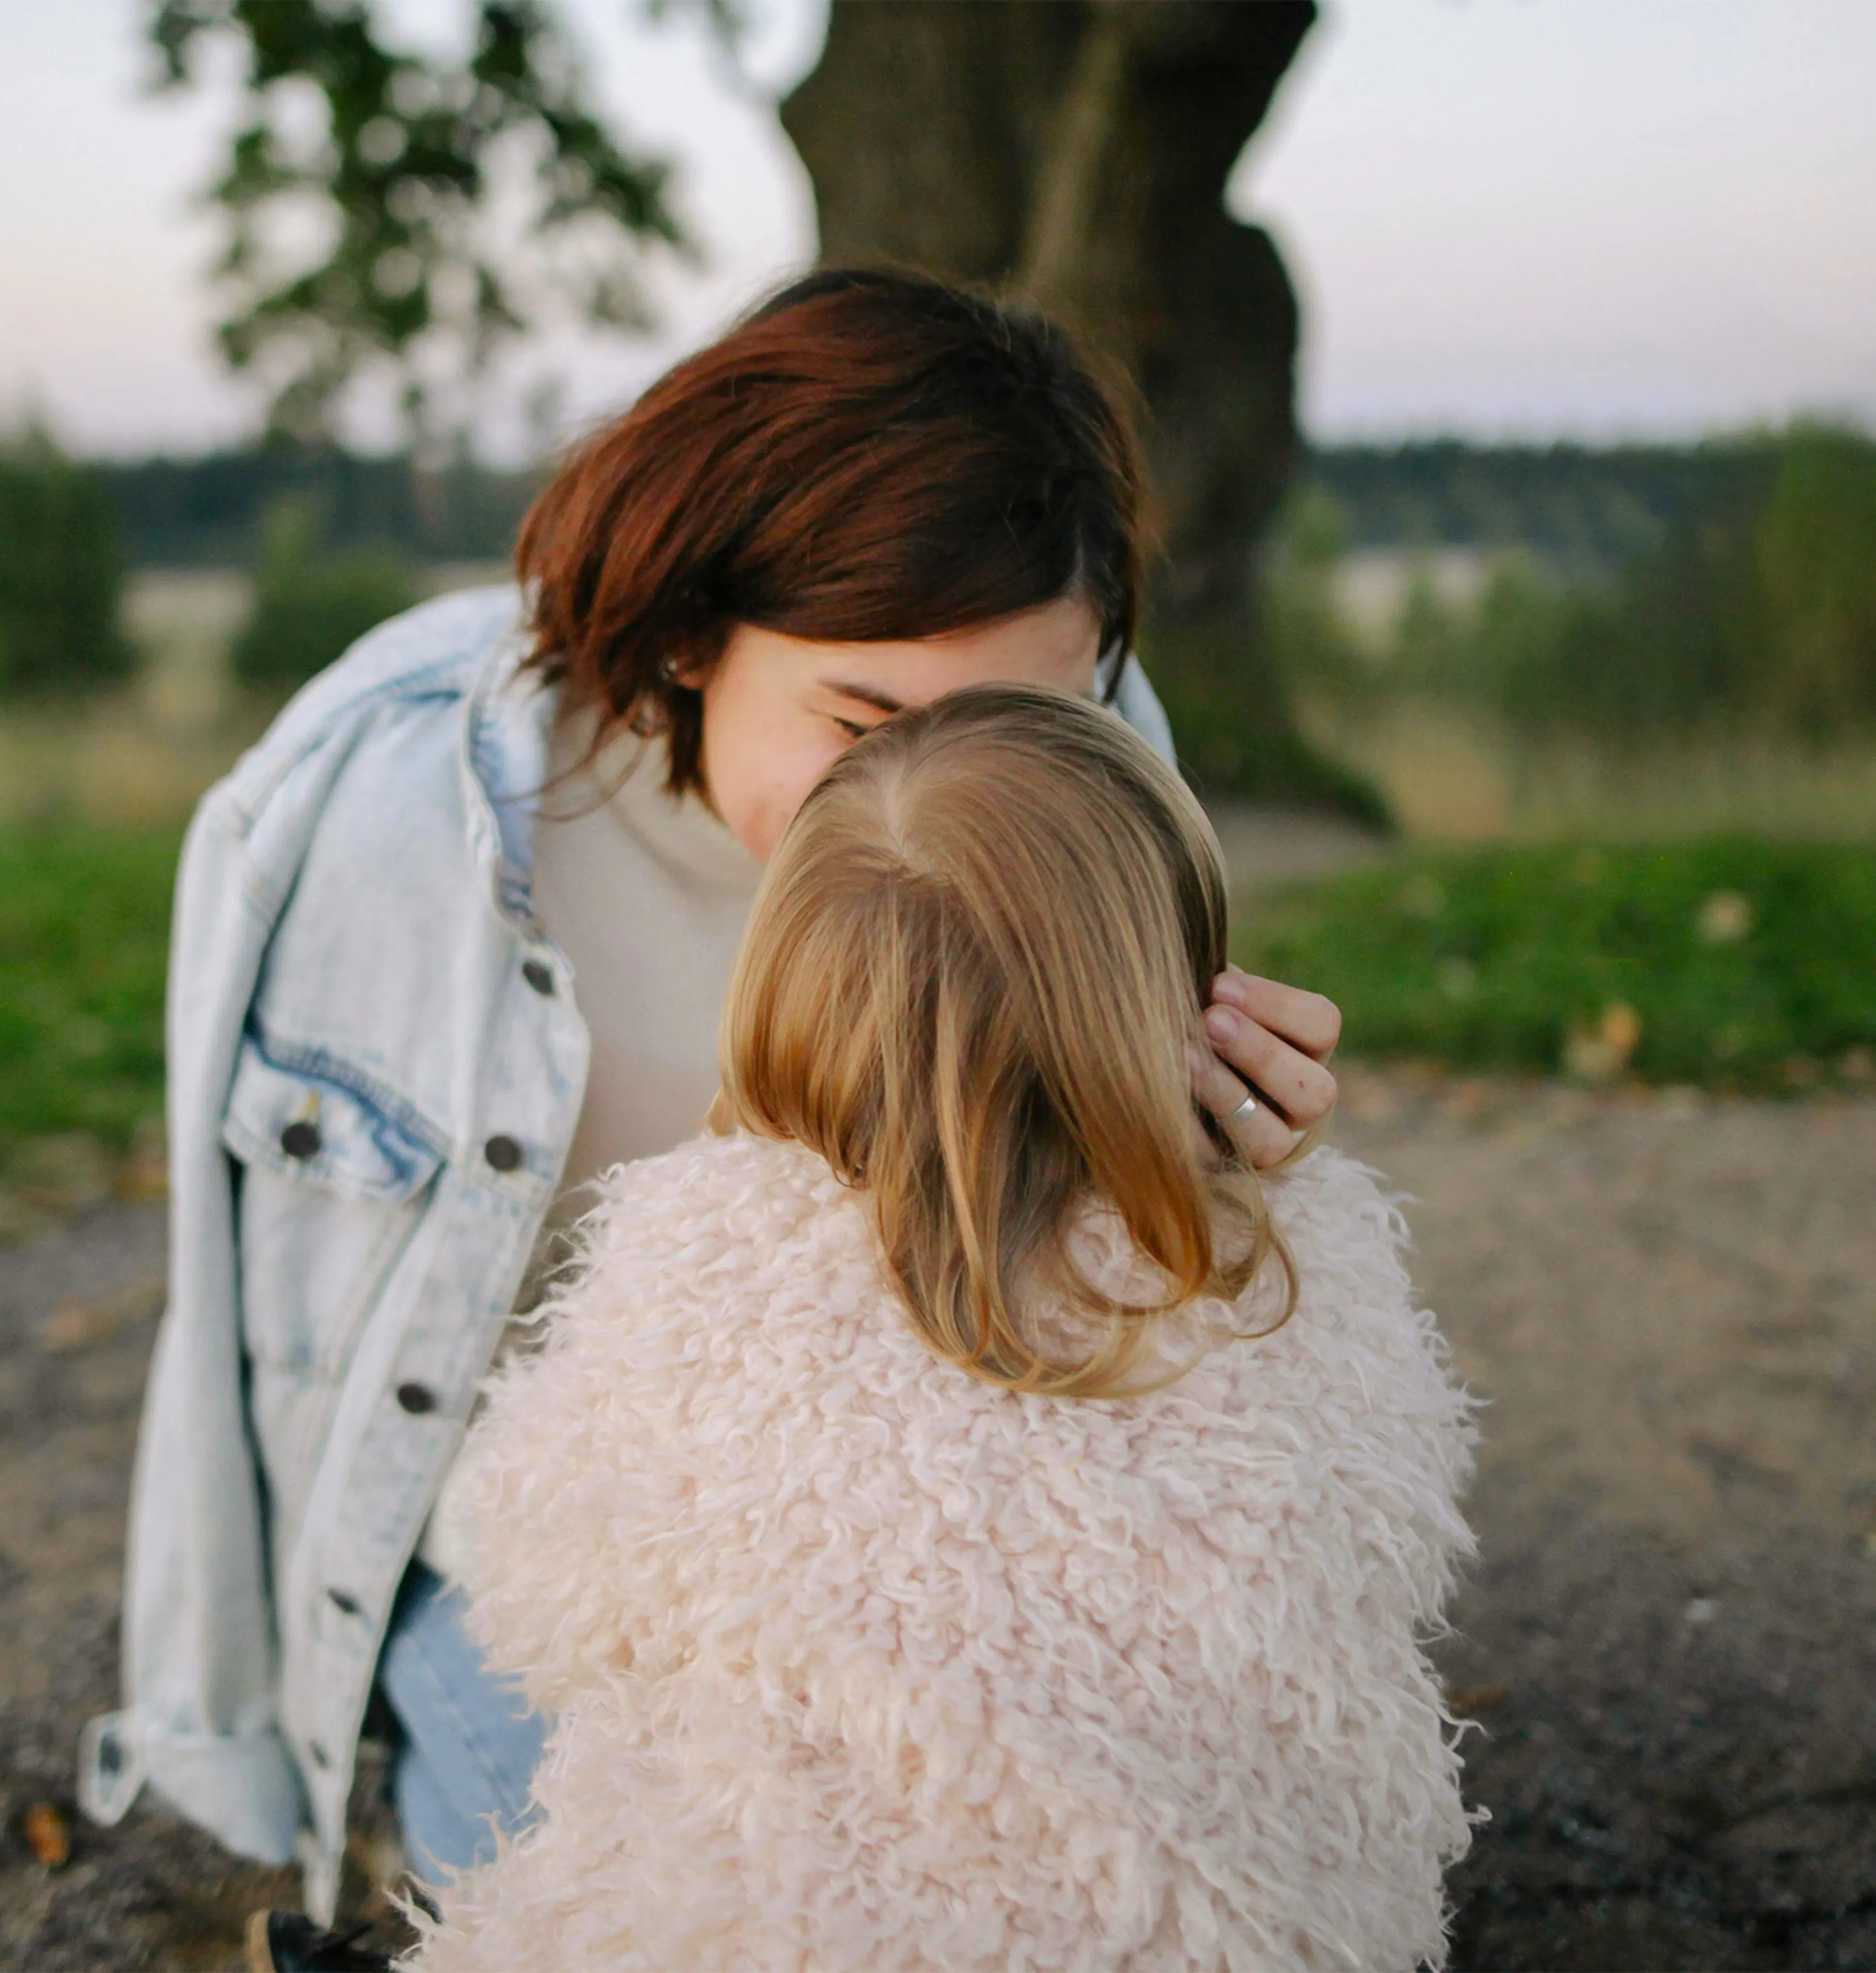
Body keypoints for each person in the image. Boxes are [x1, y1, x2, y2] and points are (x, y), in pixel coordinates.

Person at [75, 268, 1347, 1951]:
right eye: (863, 718)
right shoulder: (384, 821)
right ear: (689, 630)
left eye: (1031, 719)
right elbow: (250, 1346)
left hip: (918, 1523)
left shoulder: (1100, 783)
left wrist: (1214, 1154)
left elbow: (1096, 1315)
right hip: (531, 1556)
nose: (945, 797)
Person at [408, 681, 1476, 1973]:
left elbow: (539, 1587)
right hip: (1222, 1937)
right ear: (1187, 989)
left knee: (508, 1759)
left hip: (774, 1940)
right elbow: (1395, 1544)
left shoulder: (703, 1236)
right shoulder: (1284, 1251)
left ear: (787, 968)